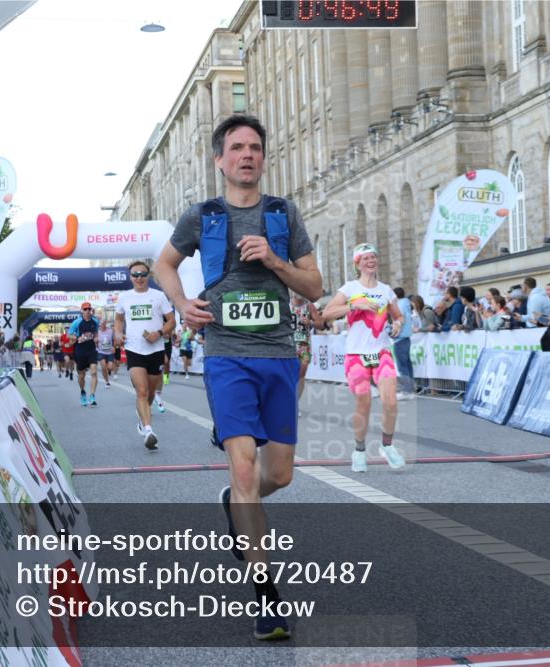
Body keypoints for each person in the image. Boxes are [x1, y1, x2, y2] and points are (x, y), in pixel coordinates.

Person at [154, 114, 321, 641]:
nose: (247, 155)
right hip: (226, 355)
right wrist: (182, 303)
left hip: (277, 355)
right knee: (244, 470)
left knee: (280, 475)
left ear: (263, 158)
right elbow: (163, 264)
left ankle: (233, 504)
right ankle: (267, 598)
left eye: (254, 148)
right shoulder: (201, 216)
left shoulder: (283, 213)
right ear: (220, 160)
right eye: (237, 148)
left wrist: (274, 260)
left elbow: (315, 287)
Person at [322, 243, 406, 474]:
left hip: (380, 352)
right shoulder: (349, 288)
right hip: (356, 355)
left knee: (390, 401)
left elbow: (398, 315)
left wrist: (398, 323)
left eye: (373, 257)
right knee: (364, 402)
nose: (371, 261)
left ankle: (387, 446)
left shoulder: (386, 290)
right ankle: (359, 451)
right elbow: (326, 314)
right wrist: (353, 305)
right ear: (357, 263)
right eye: (366, 258)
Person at [114, 260, 175, 450]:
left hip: (156, 349)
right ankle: (149, 430)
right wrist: (117, 333)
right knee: (141, 391)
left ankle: (142, 420)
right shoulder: (124, 297)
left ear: (148, 276)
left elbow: (171, 321)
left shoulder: (158, 296)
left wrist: (159, 332)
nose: (139, 278)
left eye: (142, 274)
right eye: (135, 275)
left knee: (148, 393)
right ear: (130, 277)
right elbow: (118, 319)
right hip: (134, 349)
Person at [290, 293, 325, 408]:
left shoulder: (309, 306)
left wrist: (310, 323)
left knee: (302, 373)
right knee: (289, 373)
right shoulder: (286, 304)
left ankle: (295, 403)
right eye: (296, 291)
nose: (299, 293)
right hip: (289, 344)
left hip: (304, 344)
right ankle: (287, 399)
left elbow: (321, 324)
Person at [68, 302, 100, 407]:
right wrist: (76, 338)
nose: (87, 311)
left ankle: (92, 396)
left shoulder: (95, 321)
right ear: (82, 311)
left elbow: (96, 333)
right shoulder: (77, 322)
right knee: (82, 375)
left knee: (94, 372)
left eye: (88, 309)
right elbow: (69, 335)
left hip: (91, 349)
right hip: (80, 351)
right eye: (85, 309)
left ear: (91, 310)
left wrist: (96, 338)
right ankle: (83, 392)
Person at [392, 287, 415, 399]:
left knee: (402, 365)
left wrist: (394, 332)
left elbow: (400, 321)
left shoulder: (399, 306)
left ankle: (406, 390)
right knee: (407, 364)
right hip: (406, 337)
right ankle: (410, 389)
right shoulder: (406, 304)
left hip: (400, 337)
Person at [96, 318, 115, 387]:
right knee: (103, 366)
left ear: (105, 324)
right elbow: (94, 341)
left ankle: (109, 370)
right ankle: (107, 382)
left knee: (110, 367)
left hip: (109, 352)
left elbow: (114, 340)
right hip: (101, 352)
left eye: (103, 324)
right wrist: (95, 342)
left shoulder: (110, 331)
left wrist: (113, 346)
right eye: (101, 324)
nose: (102, 326)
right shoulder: (97, 332)